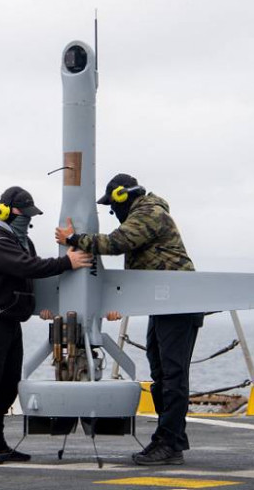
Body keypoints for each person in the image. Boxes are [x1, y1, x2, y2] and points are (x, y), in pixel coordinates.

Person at [54, 173, 201, 466]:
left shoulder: (149, 213)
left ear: (124, 196)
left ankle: (169, 443)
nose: (113, 212)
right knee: (162, 376)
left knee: (172, 377)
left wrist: (73, 239)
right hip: (165, 306)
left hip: (179, 306)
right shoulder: (147, 213)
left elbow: (117, 243)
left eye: (113, 205)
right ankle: (171, 440)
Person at [0, 186, 93, 466]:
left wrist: (37, 305)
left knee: (6, 386)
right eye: (23, 214)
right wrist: (67, 262)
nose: (27, 220)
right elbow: (25, 267)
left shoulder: (20, 240)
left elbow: (29, 274)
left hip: (8, 320)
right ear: (4, 210)